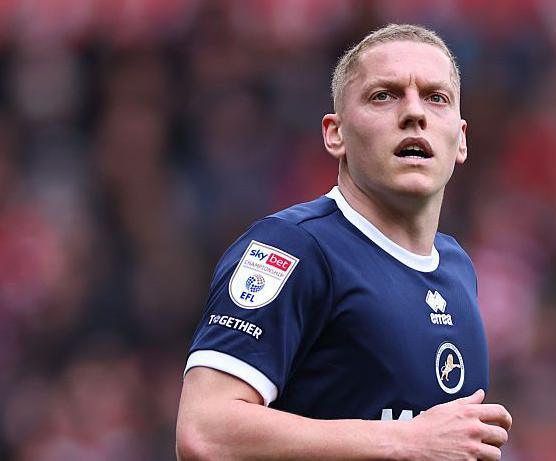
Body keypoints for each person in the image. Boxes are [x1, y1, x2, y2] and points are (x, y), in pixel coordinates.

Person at [175, 24, 512, 460]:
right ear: (335, 134)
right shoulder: (293, 248)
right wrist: (406, 441)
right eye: (384, 96)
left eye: (436, 97)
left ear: (461, 138)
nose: (414, 113)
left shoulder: (456, 267)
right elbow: (205, 431)